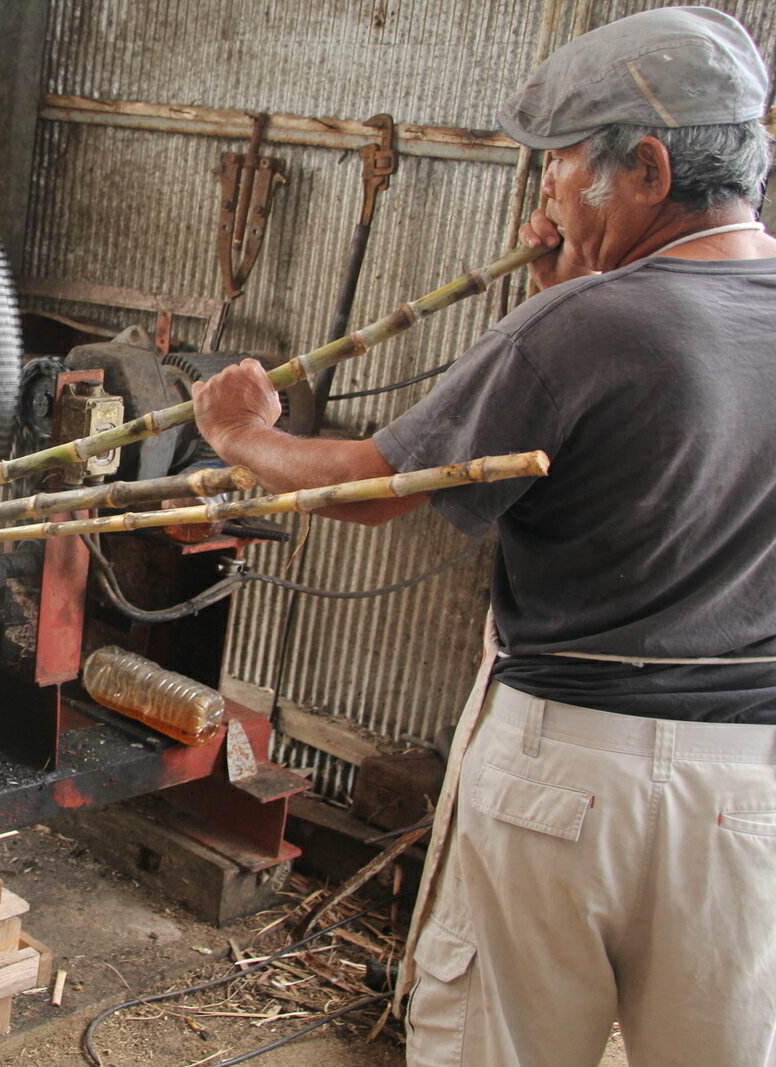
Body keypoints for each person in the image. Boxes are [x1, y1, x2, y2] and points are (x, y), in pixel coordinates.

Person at [192, 7, 776, 1065]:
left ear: (645, 168)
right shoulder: (610, 313)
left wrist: (241, 434)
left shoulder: (585, 327)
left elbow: (371, 487)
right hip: (750, 788)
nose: (547, 192)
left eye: (562, 166)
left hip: (573, 771)